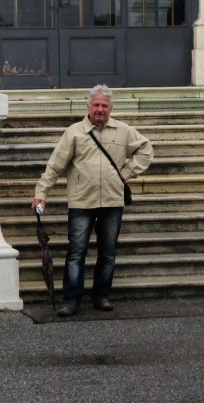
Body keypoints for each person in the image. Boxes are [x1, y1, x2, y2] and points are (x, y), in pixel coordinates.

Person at [31, 84, 153, 316]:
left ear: (111, 108)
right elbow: (55, 166)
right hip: (81, 203)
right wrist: (41, 194)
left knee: (107, 252)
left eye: (104, 106)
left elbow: (146, 149)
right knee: (76, 252)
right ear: (88, 107)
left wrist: (124, 174)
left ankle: (101, 295)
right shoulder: (75, 132)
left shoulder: (123, 130)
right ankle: (71, 299)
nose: (100, 109)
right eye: (96, 105)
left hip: (112, 201)